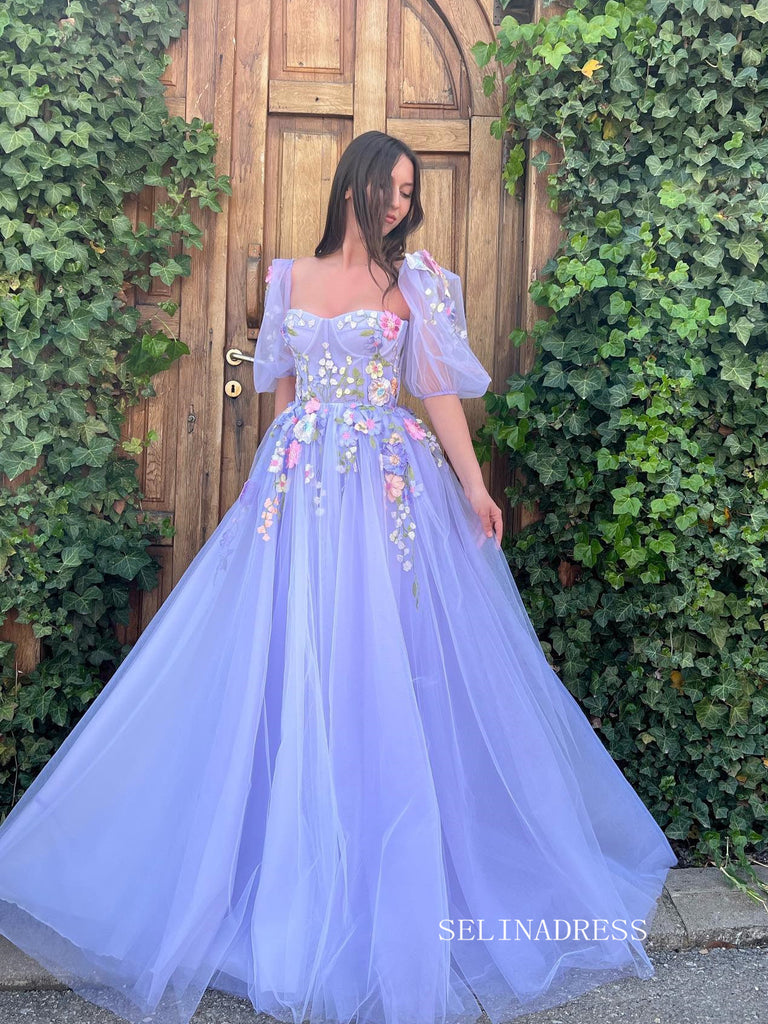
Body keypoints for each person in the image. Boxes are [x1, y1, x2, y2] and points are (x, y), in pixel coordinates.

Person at [0, 130, 677, 1024]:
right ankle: (281, 858)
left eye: (409, 191)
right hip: (298, 492)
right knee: (291, 659)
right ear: (352, 184)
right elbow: (283, 395)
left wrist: (474, 487)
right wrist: (266, 488)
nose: (399, 204)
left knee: (384, 661)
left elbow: (438, 392)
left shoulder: (413, 282)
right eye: (389, 187)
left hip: (386, 490)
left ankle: (390, 864)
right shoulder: (287, 276)